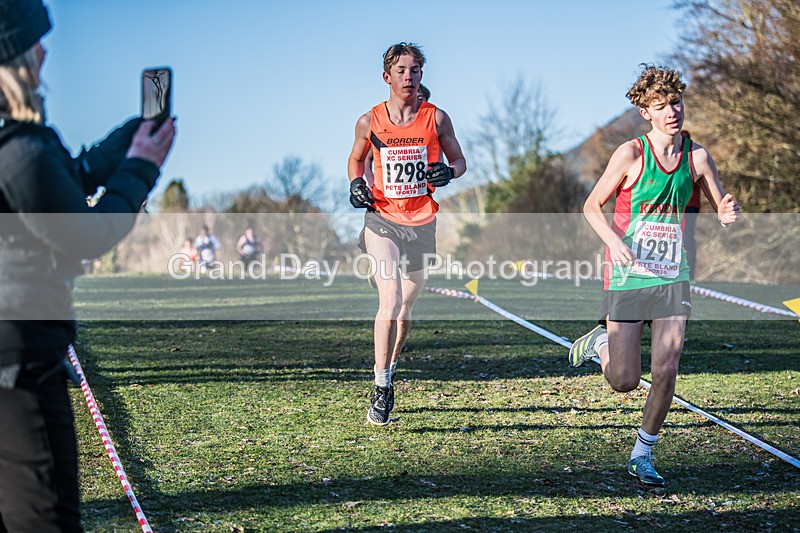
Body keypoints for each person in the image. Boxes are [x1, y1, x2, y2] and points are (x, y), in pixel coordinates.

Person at [0, 1, 175, 530]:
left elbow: (61, 181)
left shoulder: (19, 144)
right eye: (34, 42)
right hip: (19, 362)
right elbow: (85, 234)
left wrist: (125, 142)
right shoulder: (18, 151)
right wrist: (142, 169)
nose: (45, 50)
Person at [568, 64, 739, 488]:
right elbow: (592, 206)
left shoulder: (697, 157)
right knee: (624, 381)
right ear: (646, 112)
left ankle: (643, 453)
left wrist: (726, 211)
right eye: (660, 106)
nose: (671, 112)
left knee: (668, 364)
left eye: (675, 102)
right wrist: (614, 241)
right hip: (627, 274)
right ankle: (602, 343)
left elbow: (720, 204)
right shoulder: (630, 154)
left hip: (671, 274)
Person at [347, 43, 466, 425]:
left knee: (406, 307)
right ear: (387, 77)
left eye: (415, 70)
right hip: (382, 218)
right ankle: (381, 387)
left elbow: (460, 161)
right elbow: (356, 159)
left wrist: (449, 173)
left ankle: (391, 364)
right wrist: (356, 184)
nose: (409, 76)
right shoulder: (370, 120)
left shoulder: (437, 118)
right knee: (391, 297)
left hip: (422, 222)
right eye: (401, 70)